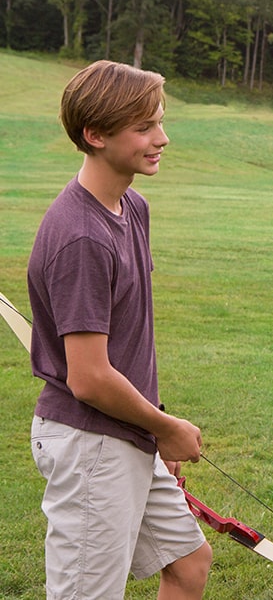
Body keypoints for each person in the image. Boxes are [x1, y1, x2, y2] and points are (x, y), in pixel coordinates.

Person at [26, 60, 212, 599]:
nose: (163, 138)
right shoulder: (81, 237)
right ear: (96, 134)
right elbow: (87, 377)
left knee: (188, 562)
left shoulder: (132, 206)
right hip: (90, 444)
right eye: (145, 127)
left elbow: (127, 340)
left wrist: (153, 426)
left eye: (160, 122)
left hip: (124, 432)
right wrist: (165, 425)